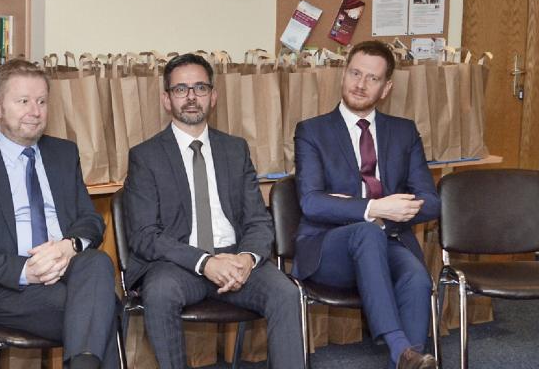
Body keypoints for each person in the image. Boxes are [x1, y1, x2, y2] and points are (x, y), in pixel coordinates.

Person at [0, 59, 120, 369]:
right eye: (23, 101)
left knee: (97, 262)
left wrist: (68, 246)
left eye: (42, 101)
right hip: (2, 287)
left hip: (65, 270)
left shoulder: (63, 153)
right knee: (102, 309)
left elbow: (90, 220)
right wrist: (26, 271)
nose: (35, 111)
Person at [123, 54, 305, 369]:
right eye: (181, 89)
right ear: (167, 100)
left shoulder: (235, 149)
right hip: (178, 264)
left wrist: (247, 259)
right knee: (160, 292)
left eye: (200, 88)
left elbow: (258, 221)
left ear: (214, 96)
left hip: (236, 259)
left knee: (286, 293)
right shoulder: (145, 156)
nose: (191, 97)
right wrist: (204, 262)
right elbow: (144, 236)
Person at [293, 40, 440, 369]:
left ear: (386, 87)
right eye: (355, 73)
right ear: (343, 75)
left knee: (417, 278)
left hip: (388, 240)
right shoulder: (312, 131)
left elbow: (431, 202)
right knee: (366, 233)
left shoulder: (403, 132)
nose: (360, 84)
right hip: (327, 249)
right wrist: (375, 208)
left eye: (371, 78)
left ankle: (406, 361)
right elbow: (312, 203)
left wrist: (385, 214)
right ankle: (401, 349)